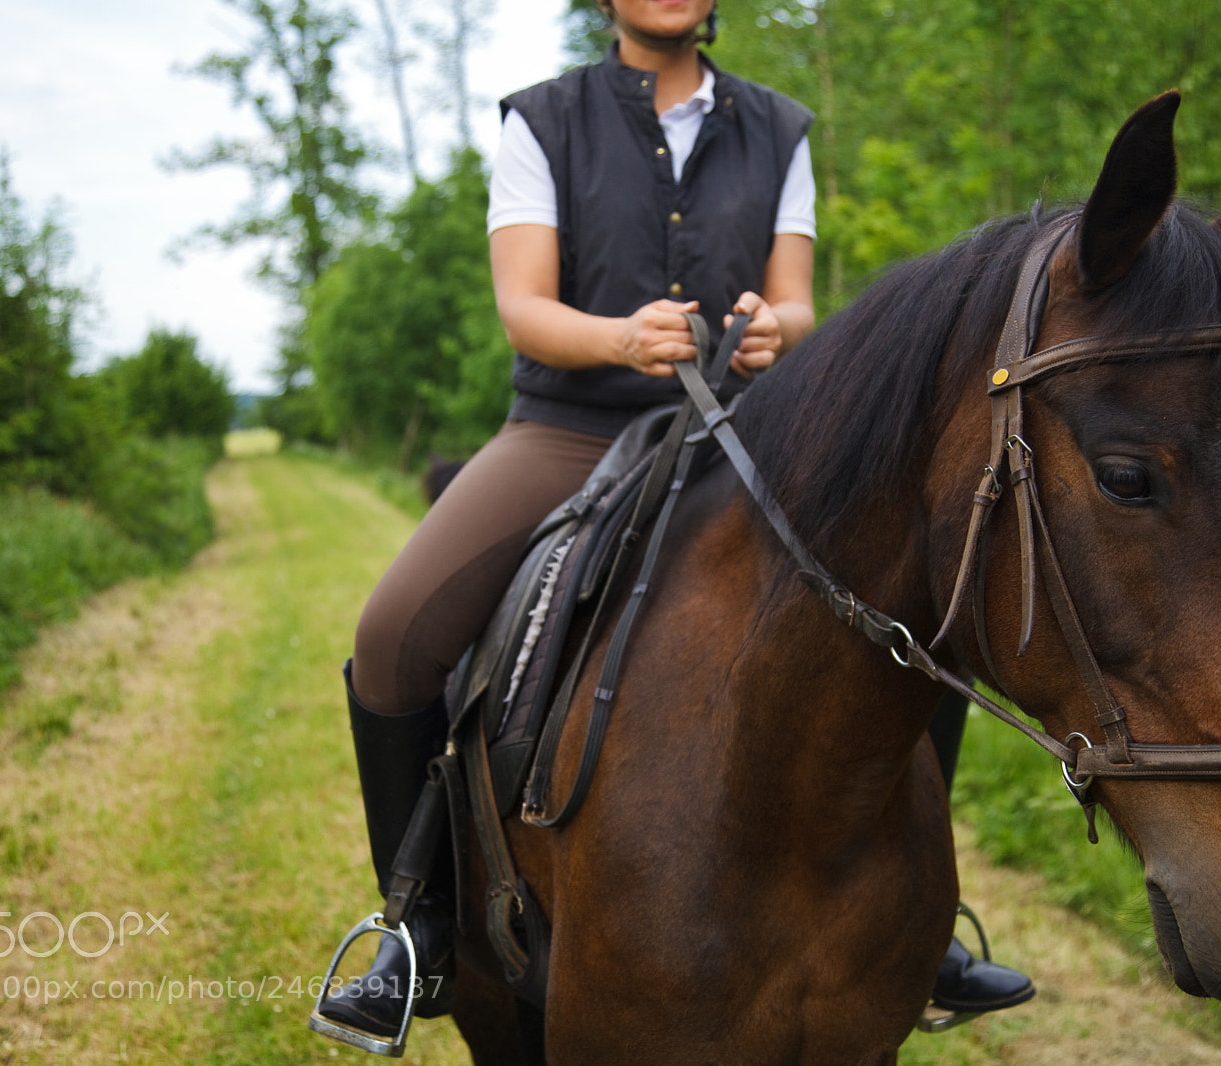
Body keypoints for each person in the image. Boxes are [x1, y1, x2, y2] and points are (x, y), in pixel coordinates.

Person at [316, 0, 1031, 1042]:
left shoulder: (779, 127)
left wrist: (770, 332)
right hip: (565, 426)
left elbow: (794, 302)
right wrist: (616, 337)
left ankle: (922, 927)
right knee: (392, 633)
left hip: (750, 435)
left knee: (919, 599)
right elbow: (524, 305)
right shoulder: (542, 120)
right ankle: (418, 921)